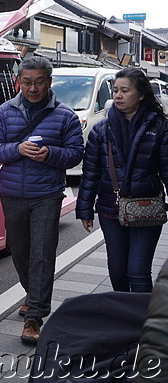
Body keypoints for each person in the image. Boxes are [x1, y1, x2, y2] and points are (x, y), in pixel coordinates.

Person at [0, 56, 84, 344]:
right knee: (19, 250)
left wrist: (50, 154)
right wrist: (18, 149)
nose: (33, 88)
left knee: (42, 253)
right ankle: (33, 292)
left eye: (39, 82)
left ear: (49, 82)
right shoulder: (4, 112)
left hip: (47, 195)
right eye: (27, 82)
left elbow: (76, 152)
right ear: (20, 82)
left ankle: (35, 317)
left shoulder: (65, 116)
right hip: (12, 193)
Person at [76, 68, 168, 293]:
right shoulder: (101, 129)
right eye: (115, 90)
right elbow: (90, 174)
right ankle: (124, 317)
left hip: (146, 207)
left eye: (125, 91)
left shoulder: (160, 127)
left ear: (141, 94)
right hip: (111, 208)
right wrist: (85, 209)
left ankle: (140, 323)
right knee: (117, 270)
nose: (118, 95)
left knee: (138, 271)